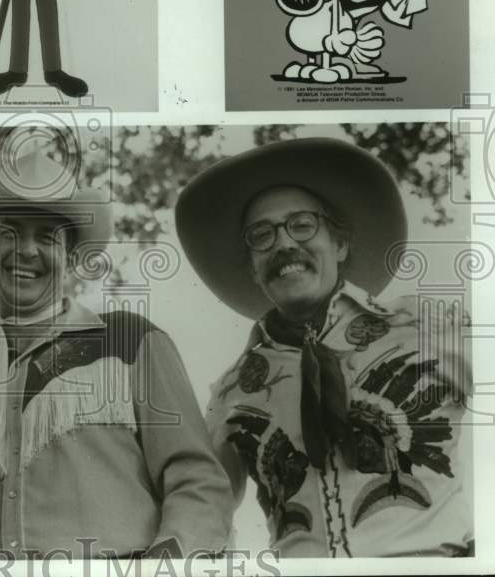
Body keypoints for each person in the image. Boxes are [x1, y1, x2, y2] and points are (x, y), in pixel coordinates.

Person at [174, 138, 473, 557]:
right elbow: (202, 501)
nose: (283, 244)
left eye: (301, 224)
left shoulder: (428, 327)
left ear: (341, 244)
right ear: (255, 271)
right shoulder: (232, 392)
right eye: (262, 235)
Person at [0, 150, 234, 558]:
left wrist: (164, 562)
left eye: (47, 237)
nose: (26, 250)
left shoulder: (130, 341)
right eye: (8, 232)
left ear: (73, 258)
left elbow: (199, 482)